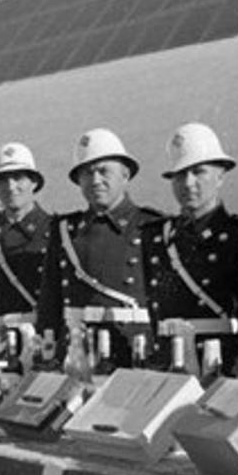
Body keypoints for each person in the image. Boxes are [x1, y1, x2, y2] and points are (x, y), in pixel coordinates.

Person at [38, 130, 160, 368]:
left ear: (125, 174)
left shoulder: (149, 226)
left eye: (104, 171)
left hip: (133, 351)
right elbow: (49, 303)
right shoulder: (65, 230)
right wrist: (48, 353)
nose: (95, 180)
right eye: (87, 173)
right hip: (76, 353)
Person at [141, 123, 238, 370]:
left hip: (220, 360)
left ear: (220, 176)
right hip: (169, 359)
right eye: (179, 175)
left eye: (199, 172)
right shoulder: (156, 236)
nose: (188, 183)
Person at [0, 143, 51, 347]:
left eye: (18, 178)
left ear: (33, 182)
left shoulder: (54, 231)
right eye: (3, 180)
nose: (11, 187)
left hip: (42, 341)